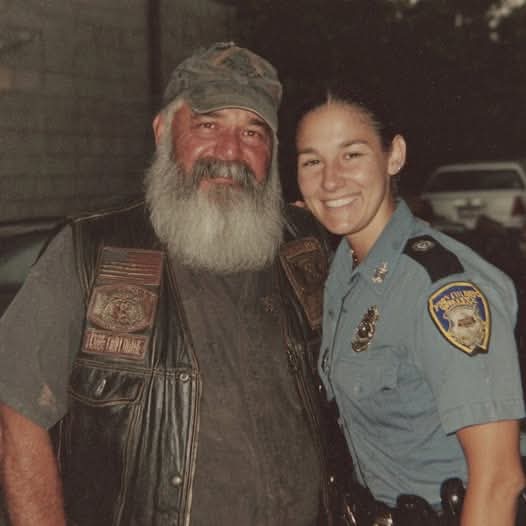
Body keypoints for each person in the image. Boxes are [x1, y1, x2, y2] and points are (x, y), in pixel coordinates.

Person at [0, 42, 342, 526]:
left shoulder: (303, 249)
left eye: (252, 132)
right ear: (163, 132)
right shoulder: (90, 251)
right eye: (207, 126)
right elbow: (17, 412)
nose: (230, 152)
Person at [295, 84, 526, 525]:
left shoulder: (442, 289)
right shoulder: (343, 272)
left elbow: (499, 480)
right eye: (312, 161)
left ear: (394, 155)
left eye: (352, 155)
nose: (330, 180)